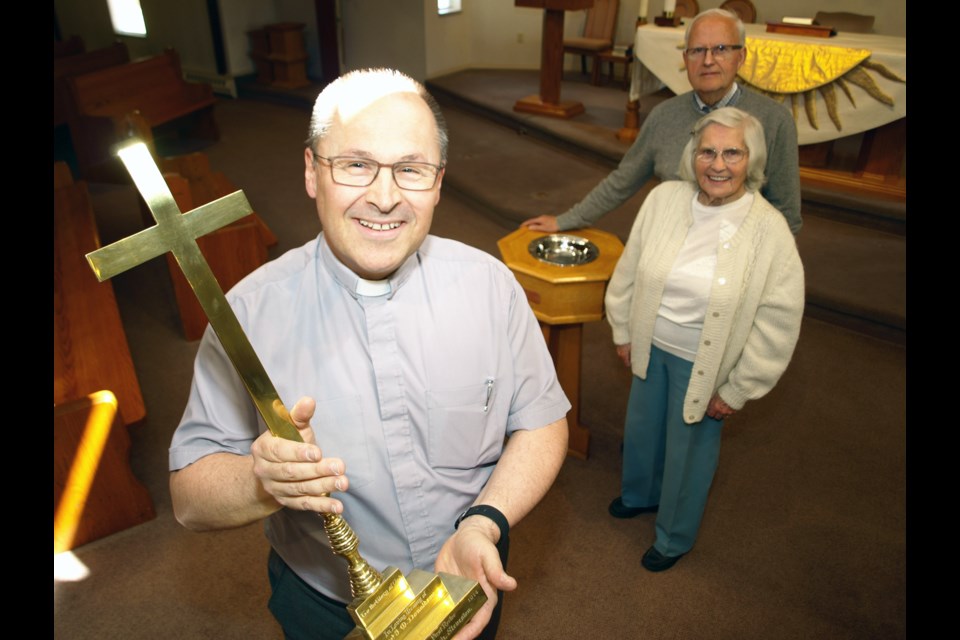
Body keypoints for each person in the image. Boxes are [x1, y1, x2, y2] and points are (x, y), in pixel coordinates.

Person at [168, 68, 571, 639]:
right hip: (324, 606)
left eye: (410, 170)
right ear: (312, 171)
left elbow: (542, 421)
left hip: (466, 579)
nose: (385, 198)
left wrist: (486, 521)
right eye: (355, 165)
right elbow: (188, 498)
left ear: (438, 181)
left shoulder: (490, 286)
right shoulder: (249, 315)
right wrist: (262, 481)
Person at [603, 107, 804, 572]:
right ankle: (639, 495)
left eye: (732, 153)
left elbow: (779, 319)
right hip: (652, 346)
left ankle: (673, 537)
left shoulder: (768, 229)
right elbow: (631, 267)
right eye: (707, 151)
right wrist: (626, 328)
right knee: (643, 433)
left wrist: (740, 387)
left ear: (751, 160)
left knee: (689, 454)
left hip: (708, 364)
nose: (717, 164)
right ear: (692, 155)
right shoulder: (665, 199)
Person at [521, 8, 803, 236]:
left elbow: (786, 214)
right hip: (671, 246)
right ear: (685, 59)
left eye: (720, 49)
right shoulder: (664, 115)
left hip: (739, 255)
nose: (707, 60)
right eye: (697, 51)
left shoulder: (773, 120)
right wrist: (567, 219)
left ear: (740, 56)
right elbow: (623, 180)